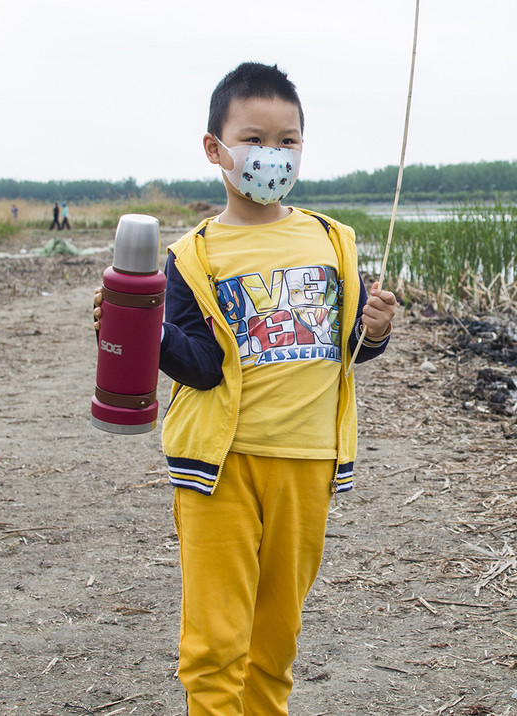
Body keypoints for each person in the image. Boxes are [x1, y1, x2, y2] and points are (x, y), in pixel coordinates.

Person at [93, 61, 397, 715]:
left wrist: (376, 330)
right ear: (217, 149)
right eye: (255, 139)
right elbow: (199, 365)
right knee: (215, 644)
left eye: (288, 141)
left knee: (275, 641)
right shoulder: (192, 257)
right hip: (217, 472)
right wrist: (136, 328)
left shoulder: (331, 243)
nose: (273, 155)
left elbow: (343, 349)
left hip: (307, 465)